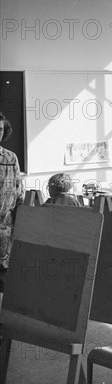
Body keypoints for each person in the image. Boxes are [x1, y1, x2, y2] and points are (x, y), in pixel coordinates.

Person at [0, 112, 24, 310]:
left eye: (0, 130)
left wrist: (22, 220)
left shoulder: (10, 158)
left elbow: (19, 190)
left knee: (5, 275)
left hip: (5, 228)